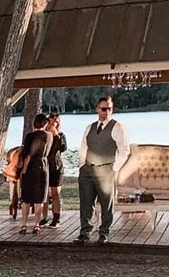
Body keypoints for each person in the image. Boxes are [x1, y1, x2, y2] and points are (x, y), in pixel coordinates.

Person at [75, 95, 131, 245]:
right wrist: (81, 166)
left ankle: (104, 233)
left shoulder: (117, 126)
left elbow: (124, 150)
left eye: (110, 109)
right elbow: (83, 147)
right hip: (87, 170)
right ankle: (84, 232)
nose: (107, 112)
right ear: (97, 109)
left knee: (107, 204)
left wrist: (114, 168)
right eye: (104, 109)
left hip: (106, 170)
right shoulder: (90, 127)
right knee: (86, 203)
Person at [18, 113, 52, 235]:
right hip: (43, 167)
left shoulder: (30, 136)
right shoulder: (49, 136)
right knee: (39, 199)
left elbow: (25, 154)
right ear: (45, 124)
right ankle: (37, 224)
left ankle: (24, 224)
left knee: (26, 198)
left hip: (30, 167)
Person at [42, 113, 67, 227]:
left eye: (55, 123)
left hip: (56, 168)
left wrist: (56, 135)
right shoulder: (43, 136)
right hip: (45, 167)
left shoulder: (60, 136)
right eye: (50, 122)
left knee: (55, 193)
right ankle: (44, 217)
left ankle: (56, 218)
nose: (52, 125)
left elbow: (63, 148)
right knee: (45, 194)